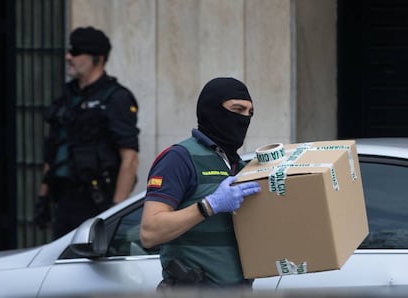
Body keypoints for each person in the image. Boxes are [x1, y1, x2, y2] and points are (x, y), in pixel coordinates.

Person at [140, 77, 261, 289]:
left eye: (249, 113)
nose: (244, 119)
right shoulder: (179, 158)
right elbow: (150, 232)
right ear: (211, 109)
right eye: (237, 109)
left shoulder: (239, 166)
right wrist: (208, 206)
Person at [34, 26, 140, 239]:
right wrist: (43, 198)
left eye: (75, 53)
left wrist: (114, 212)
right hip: (64, 199)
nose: (68, 57)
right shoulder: (67, 96)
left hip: (97, 201)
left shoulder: (116, 98)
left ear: (97, 58)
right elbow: (53, 147)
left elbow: (130, 159)